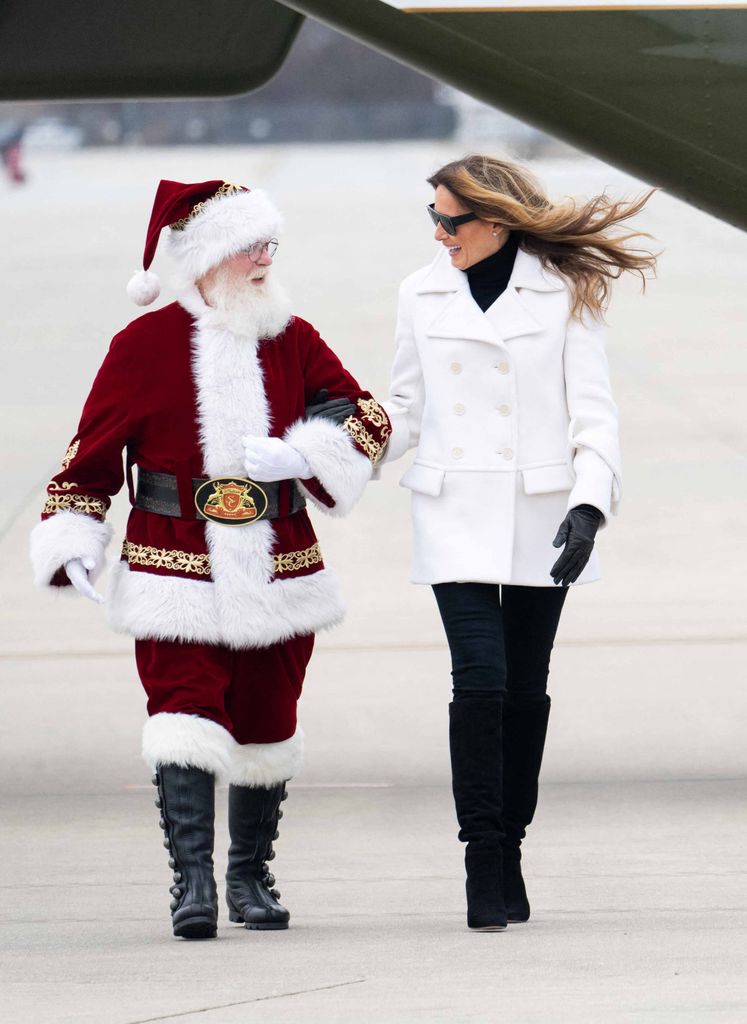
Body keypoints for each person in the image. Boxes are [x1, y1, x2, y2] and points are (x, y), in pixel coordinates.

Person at [29, 178, 391, 940]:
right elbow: (88, 457)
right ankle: (191, 882)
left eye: (269, 245)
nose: (265, 260)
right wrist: (73, 537)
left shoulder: (291, 337)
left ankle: (248, 876)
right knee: (182, 716)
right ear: (206, 257)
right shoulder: (141, 347)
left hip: (280, 568)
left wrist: (304, 454)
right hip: (174, 566)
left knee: (267, 723)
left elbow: (365, 416)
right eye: (249, 247)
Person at [381, 155, 656, 931]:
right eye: (432, 218)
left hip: (540, 516)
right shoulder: (418, 292)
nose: (439, 234)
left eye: (451, 221)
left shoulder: (563, 291)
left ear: (496, 221)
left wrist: (588, 506)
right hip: (451, 510)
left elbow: (593, 414)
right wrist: (333, 448)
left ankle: (511, 846)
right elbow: (403, 408)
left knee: (525, 689)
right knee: (480, 679)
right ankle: (481, 855)